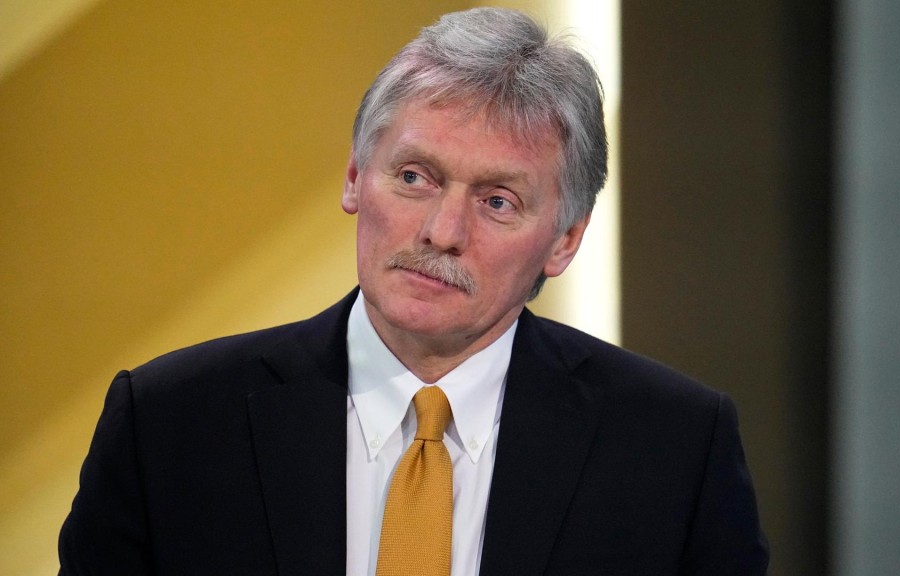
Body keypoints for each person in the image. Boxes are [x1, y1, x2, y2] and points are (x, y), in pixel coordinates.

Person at [58, 7, 768, 576]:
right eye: (414, 177)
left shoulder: (673, 448)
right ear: (353, 178)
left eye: (497, 201)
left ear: (565, 241)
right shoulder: (169, 425)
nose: (442, 231)